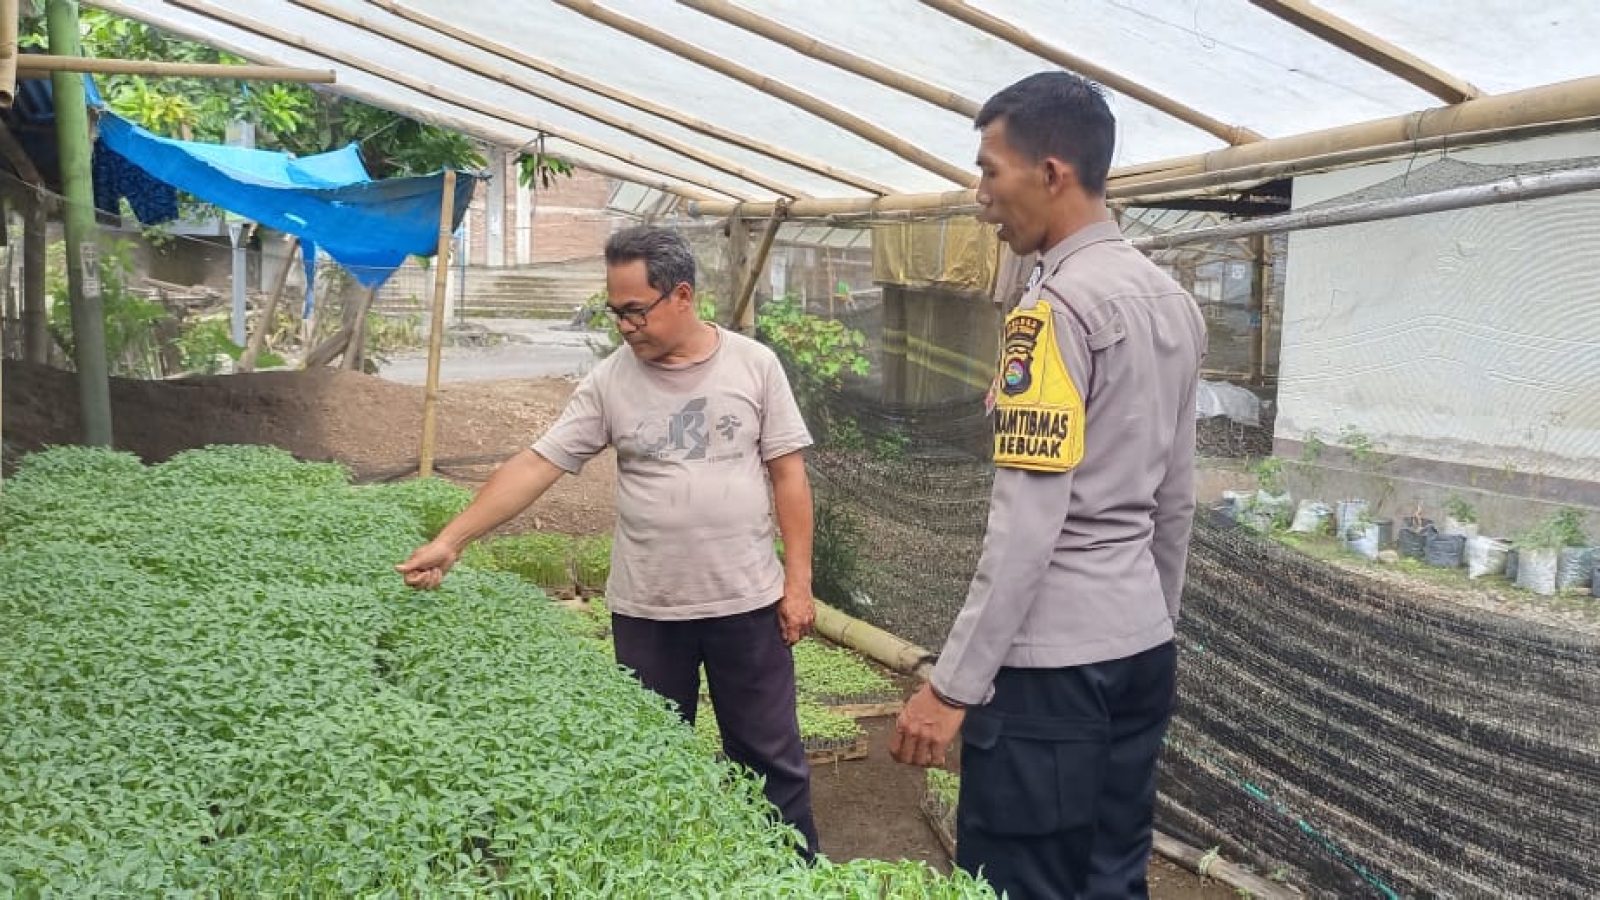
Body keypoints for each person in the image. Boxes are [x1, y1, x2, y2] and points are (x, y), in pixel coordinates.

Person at [396, 225, 820, 857]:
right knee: (651, 760)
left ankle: (794, 876)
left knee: (769, 761)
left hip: (747, 604)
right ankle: (675, 875)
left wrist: (798, 584)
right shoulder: (610, 381)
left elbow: (789, 476)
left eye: (634, 310)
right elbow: (537, 463)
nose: (623, 326)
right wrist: (451, 540)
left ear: (682, 296)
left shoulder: (753, 366)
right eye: (614, 311)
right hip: (648, 612)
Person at [890, 71, 1207, 900]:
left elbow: (1027, 530)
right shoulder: (1174, 302)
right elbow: (1176, 497)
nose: (982, 198)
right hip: (1139, 650)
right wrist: (1152, 621)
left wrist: (952, 686)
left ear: (1052, 172)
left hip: (1051, 675)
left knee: (1020, 881)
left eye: (990, 171)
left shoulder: (1054, 311)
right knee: (1111, 876)